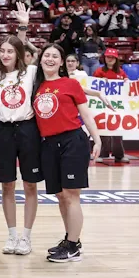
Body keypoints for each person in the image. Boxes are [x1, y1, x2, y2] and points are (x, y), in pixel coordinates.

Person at [31, 44, 101, 263]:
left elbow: (86, 115)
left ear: (62, 62)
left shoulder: (71, 84)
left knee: (72, 195)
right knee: (61, 196)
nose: (50, 59)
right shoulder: (36, 85)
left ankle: (73, 246)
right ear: (40, 60)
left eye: (55, 56)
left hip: (72, 141)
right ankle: (71, 239)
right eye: (46, 55)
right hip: (48, 144)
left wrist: (96, 138)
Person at [0, 30, 41, 256]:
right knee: (7, 185)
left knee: (30, 185)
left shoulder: (31, 72)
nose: (6, 54)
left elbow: (61, 82)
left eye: (10, 51)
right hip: (4, 131)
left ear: (18, 53)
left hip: (28, 129)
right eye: (2, 51)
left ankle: (25, 238)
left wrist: (24, 27)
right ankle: (11, 235)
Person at [93, 48, 128, 163]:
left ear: (116, 59)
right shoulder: (99, 71)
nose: (110, 59)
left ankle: (119, 155)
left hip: (117, 106)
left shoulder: (121, 72)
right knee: (103, 130)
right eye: (108, 57)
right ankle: (103, 154)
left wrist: (127, 81)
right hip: (102, 105)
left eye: (112, 57)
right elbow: (92, 85)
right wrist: (100, 81)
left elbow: (127, 85)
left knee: (117, 131)